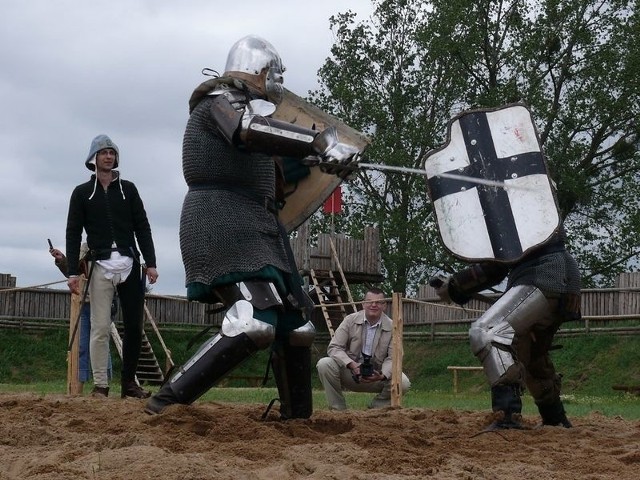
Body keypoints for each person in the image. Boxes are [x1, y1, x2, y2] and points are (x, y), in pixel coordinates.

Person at [144, 34, 361, 419]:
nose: (279, 82)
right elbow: (248, 131)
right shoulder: (218, 104)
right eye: (276, 73)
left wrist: (326, 163)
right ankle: (167, 403)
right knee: (254, 322)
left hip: (260, 227)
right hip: (219, 219)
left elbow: (282, 175)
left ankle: (297, 420)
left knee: (297, 325)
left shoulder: (257, 126)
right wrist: (318, 142)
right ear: (260, 71)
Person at [432, 228, 581, 430]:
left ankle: (508, 414)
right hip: (564, 276)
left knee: (487, 332)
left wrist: (455, 286)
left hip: (543, 274)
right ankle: (554, 417)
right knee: (530, 352)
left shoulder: (509, 212)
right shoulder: (530, 211)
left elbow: (495, 269)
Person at [65, 134, 159, 399]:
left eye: (112, 153)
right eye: (104, 152)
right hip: (100, 265)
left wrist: (150, 263)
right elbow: (73, 233)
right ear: (93, 158)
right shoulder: (82, 193)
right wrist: (73, 271)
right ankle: (101, 386)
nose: (109, 156)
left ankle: (128, 384)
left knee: (134, 326)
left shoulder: (128, 189)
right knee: (100, 327)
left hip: (130, 263)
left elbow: (142, 226)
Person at [316, 287, 411, 410]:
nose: (374, 305)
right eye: (370, 301)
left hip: (376, 375)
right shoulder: (349, 320)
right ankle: (338, 409)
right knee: (324, 364)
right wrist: (352, 365)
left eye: (378, 302)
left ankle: (375, 409)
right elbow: (334, 347)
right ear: (363, 304)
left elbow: (395, 357)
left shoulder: (394, 326)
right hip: (350, 372)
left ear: (384, 305)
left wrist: (382, 375)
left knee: (403, 383)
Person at [49, 245, 114, 387]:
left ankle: (104, 382)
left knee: (101, 341)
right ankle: (80, 382)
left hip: (102, 301)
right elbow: (74, 270)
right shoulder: (84, 247)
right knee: (81, 346)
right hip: (85, 302)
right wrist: (62, 260)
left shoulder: (110, 248)